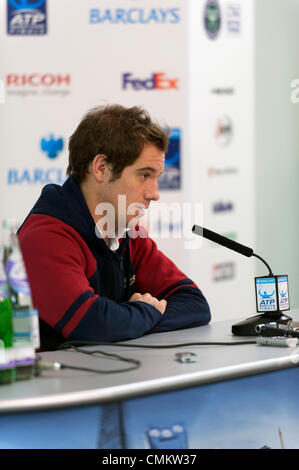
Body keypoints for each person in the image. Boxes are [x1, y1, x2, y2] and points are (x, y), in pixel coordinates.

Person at [18, 104, 211, 351]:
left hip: (107, 379)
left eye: (157, 177)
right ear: (101, 167)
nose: (155, 194)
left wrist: (125, 318)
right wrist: (145, 310)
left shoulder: (127, 231)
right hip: (52, 388)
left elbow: (195, 304)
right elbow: (92, 325)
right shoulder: (45, 236)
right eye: (144, 175)